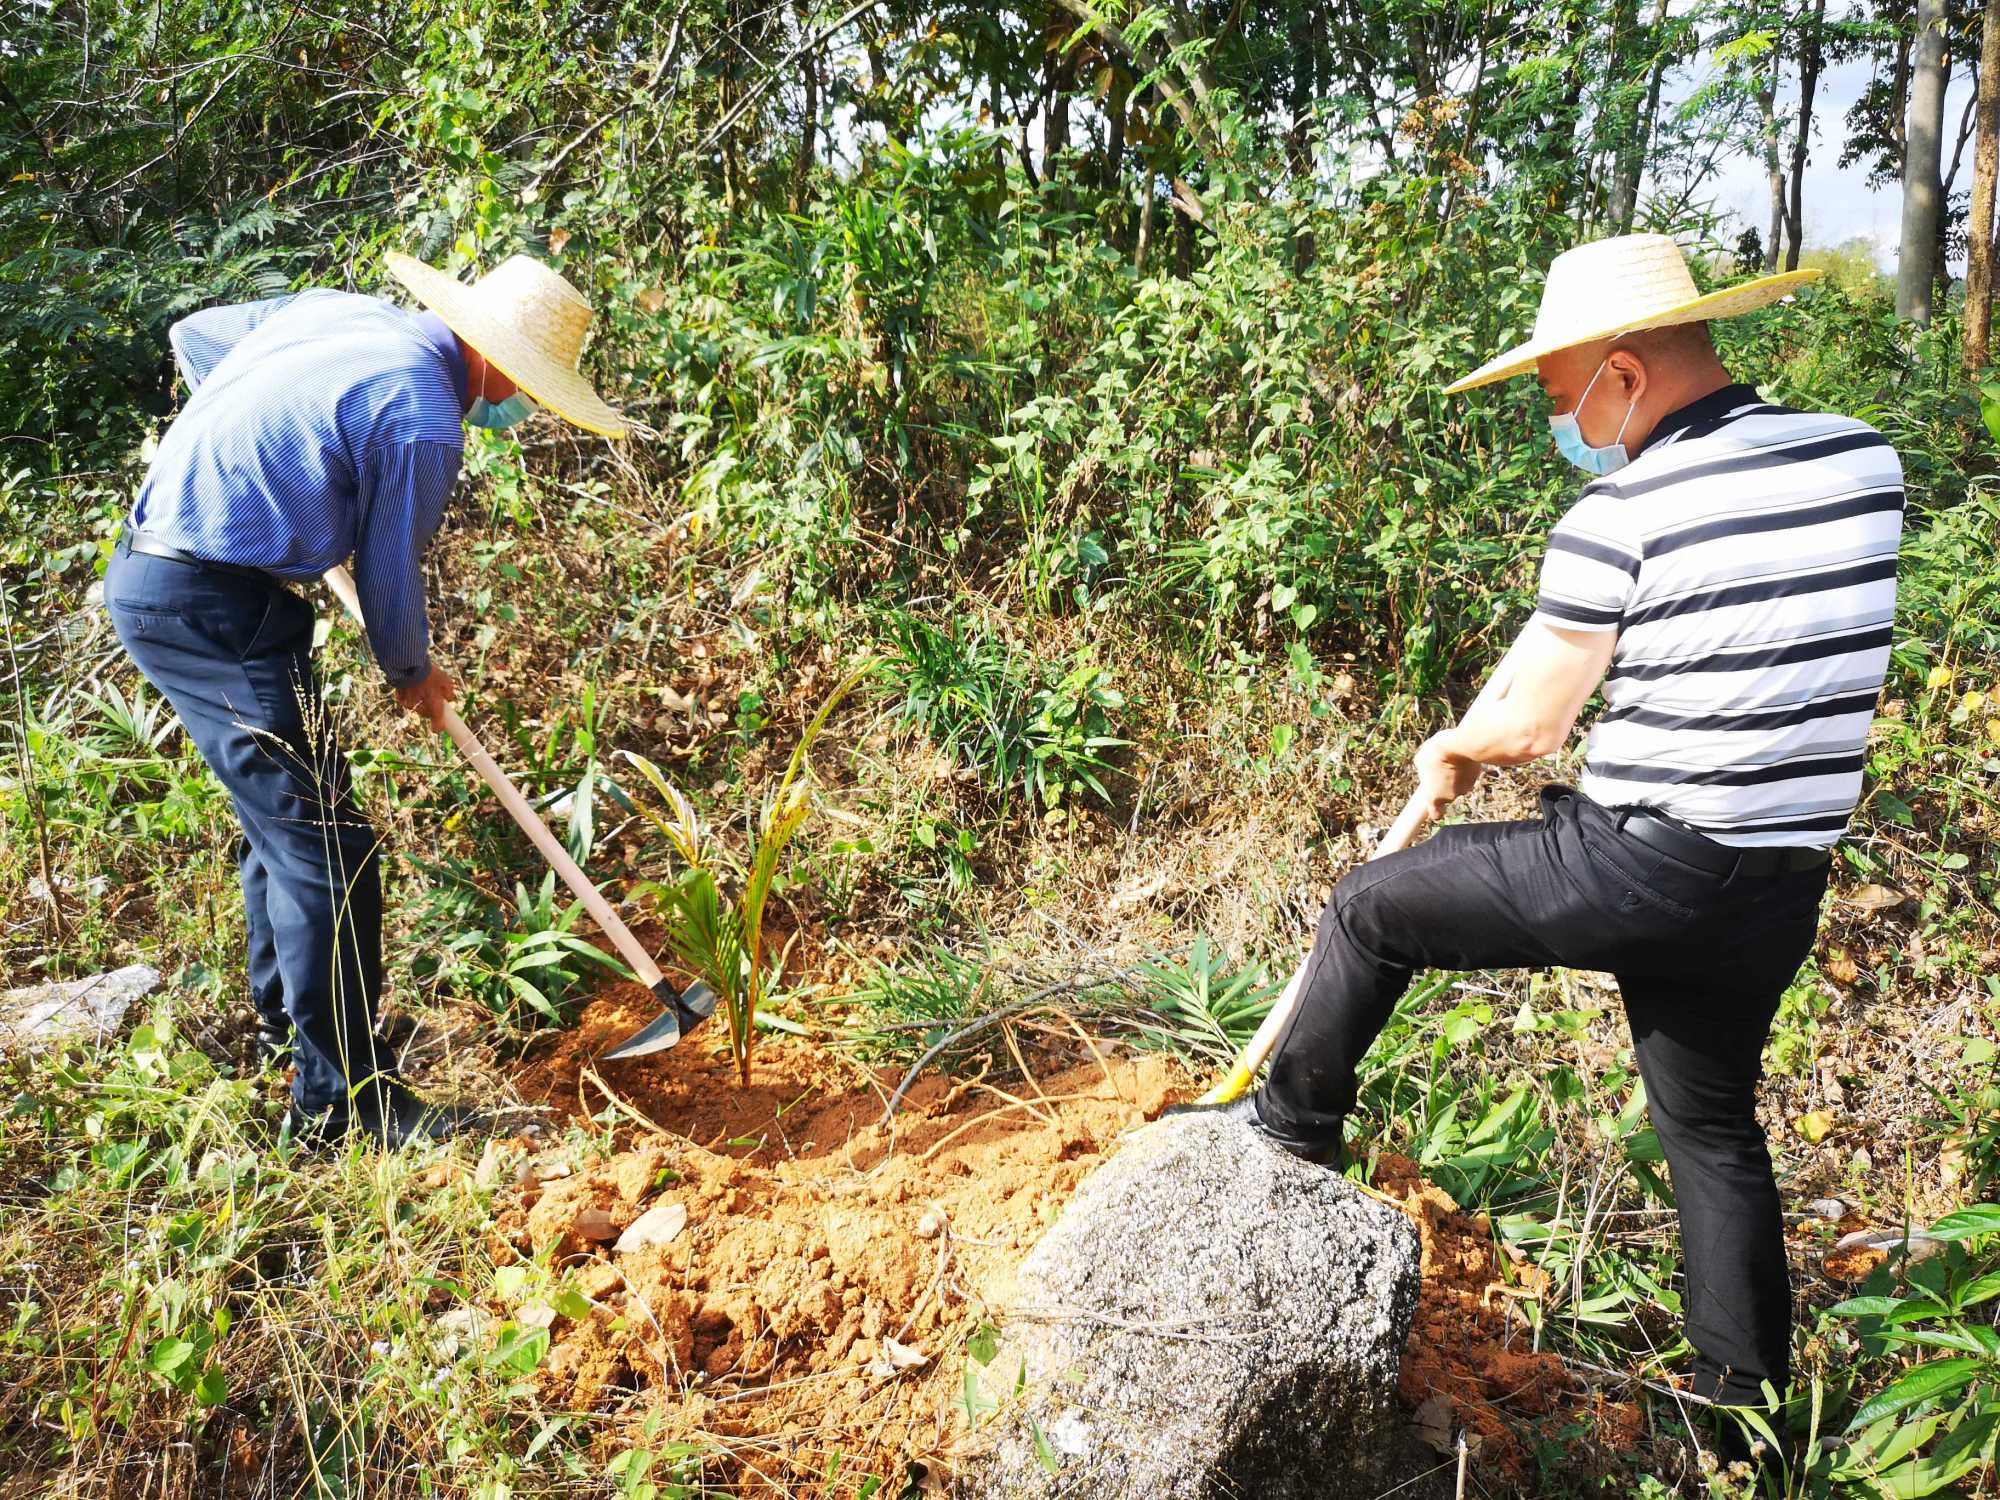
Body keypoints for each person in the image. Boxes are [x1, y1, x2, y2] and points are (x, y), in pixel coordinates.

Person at [1205, 235, 1904, 1420]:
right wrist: (1473, 735)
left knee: (1372, 907)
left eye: (1556, 393)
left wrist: (1457, 748)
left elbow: (1532, 722)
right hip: (1778, 879)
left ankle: (1281, 1143)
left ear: (1620, 373)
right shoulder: (1860, 458)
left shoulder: (1621, 506)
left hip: (1645, 862)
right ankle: (1738, 1422)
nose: (1561, 421)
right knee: (1710, 1130)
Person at [103, 251, 628, 1148]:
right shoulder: (424, 416)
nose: (523, 406)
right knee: (330, 852)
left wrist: (264, 459)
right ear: (501, 364)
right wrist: (412, 671)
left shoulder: (344, 316)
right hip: (208, 600)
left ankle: (289, 1037)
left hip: (180, 583)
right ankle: (342, 1104)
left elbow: (198, 339)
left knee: (289, 831)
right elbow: (389, 572)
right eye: (533, 388)